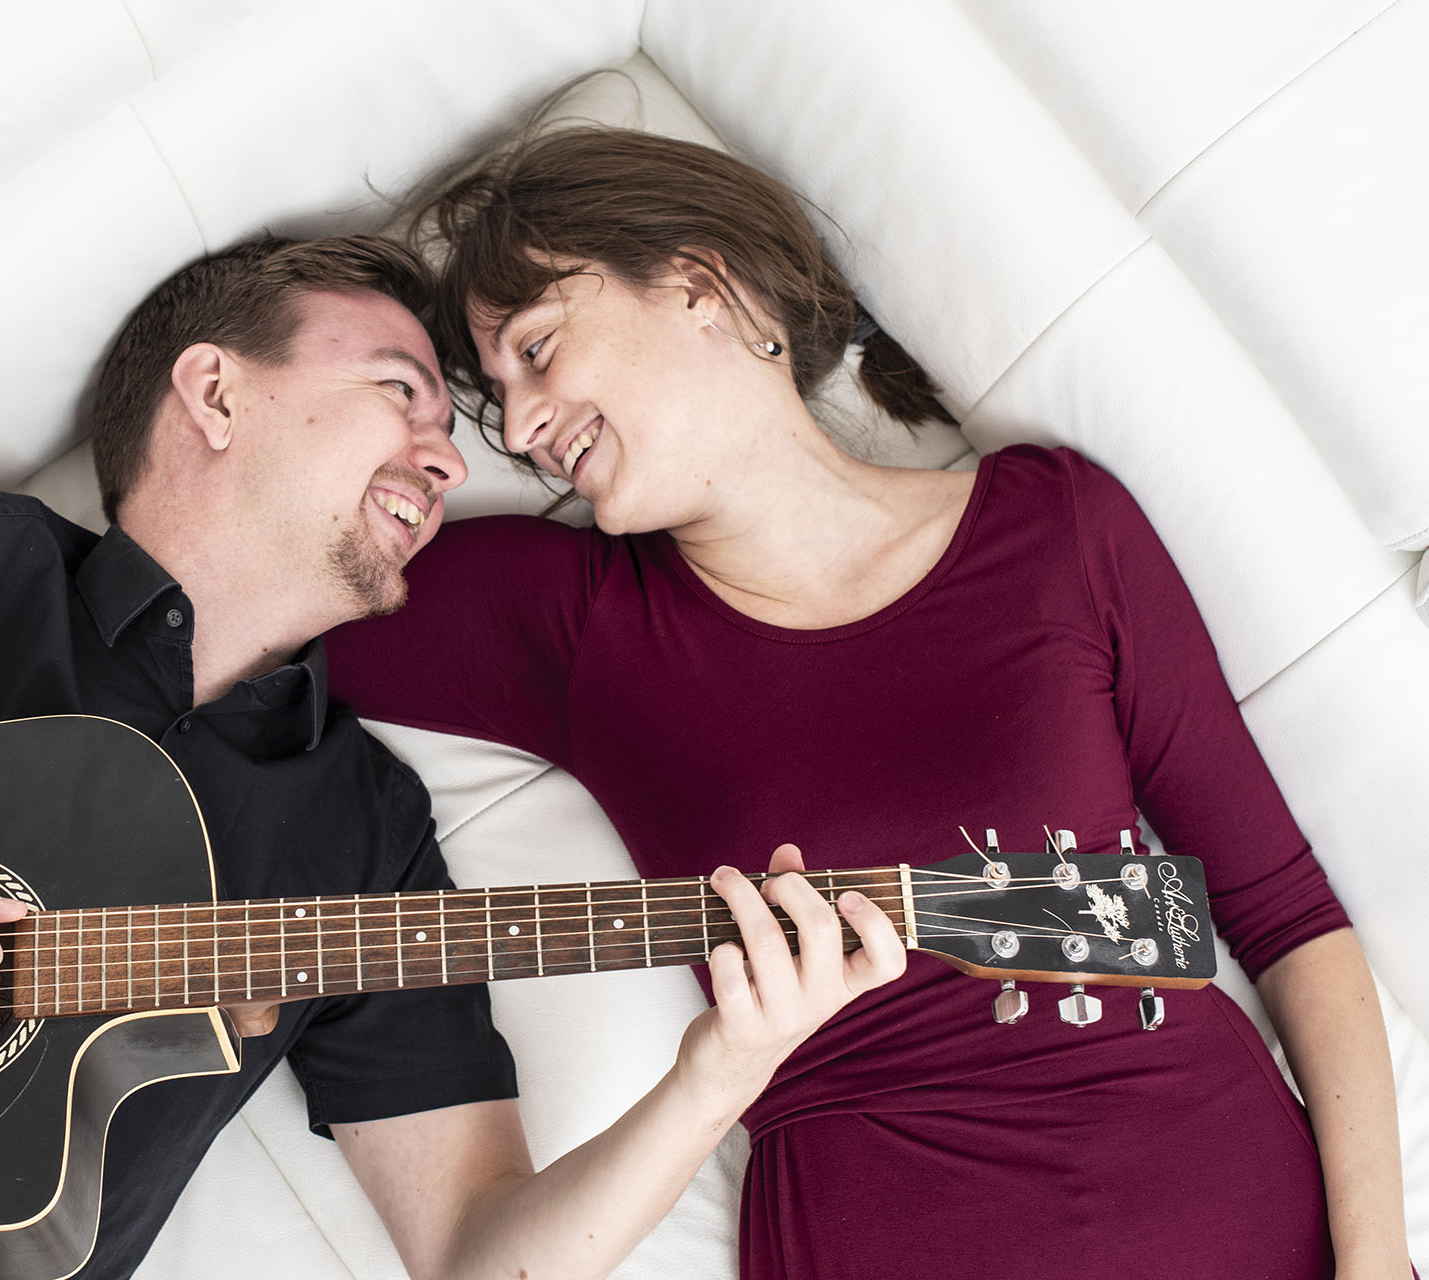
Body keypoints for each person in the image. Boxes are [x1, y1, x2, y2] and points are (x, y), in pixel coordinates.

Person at [0, 233, 904, 1279]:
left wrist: (721, 1074)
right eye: (401, 392)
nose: (446, 459)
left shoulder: (359, 839)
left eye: (447, 430)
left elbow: (480, 1253)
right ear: (216, 393)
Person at [317, 128, 1412, 1277]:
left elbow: (1287, 916)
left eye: (537, 350)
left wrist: (1377, 1262)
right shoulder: (576, 620)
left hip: (1230, 1196)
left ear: (700, 286)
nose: (522, 426)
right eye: (500, 393)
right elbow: (252, 586)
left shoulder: (1055, 530)